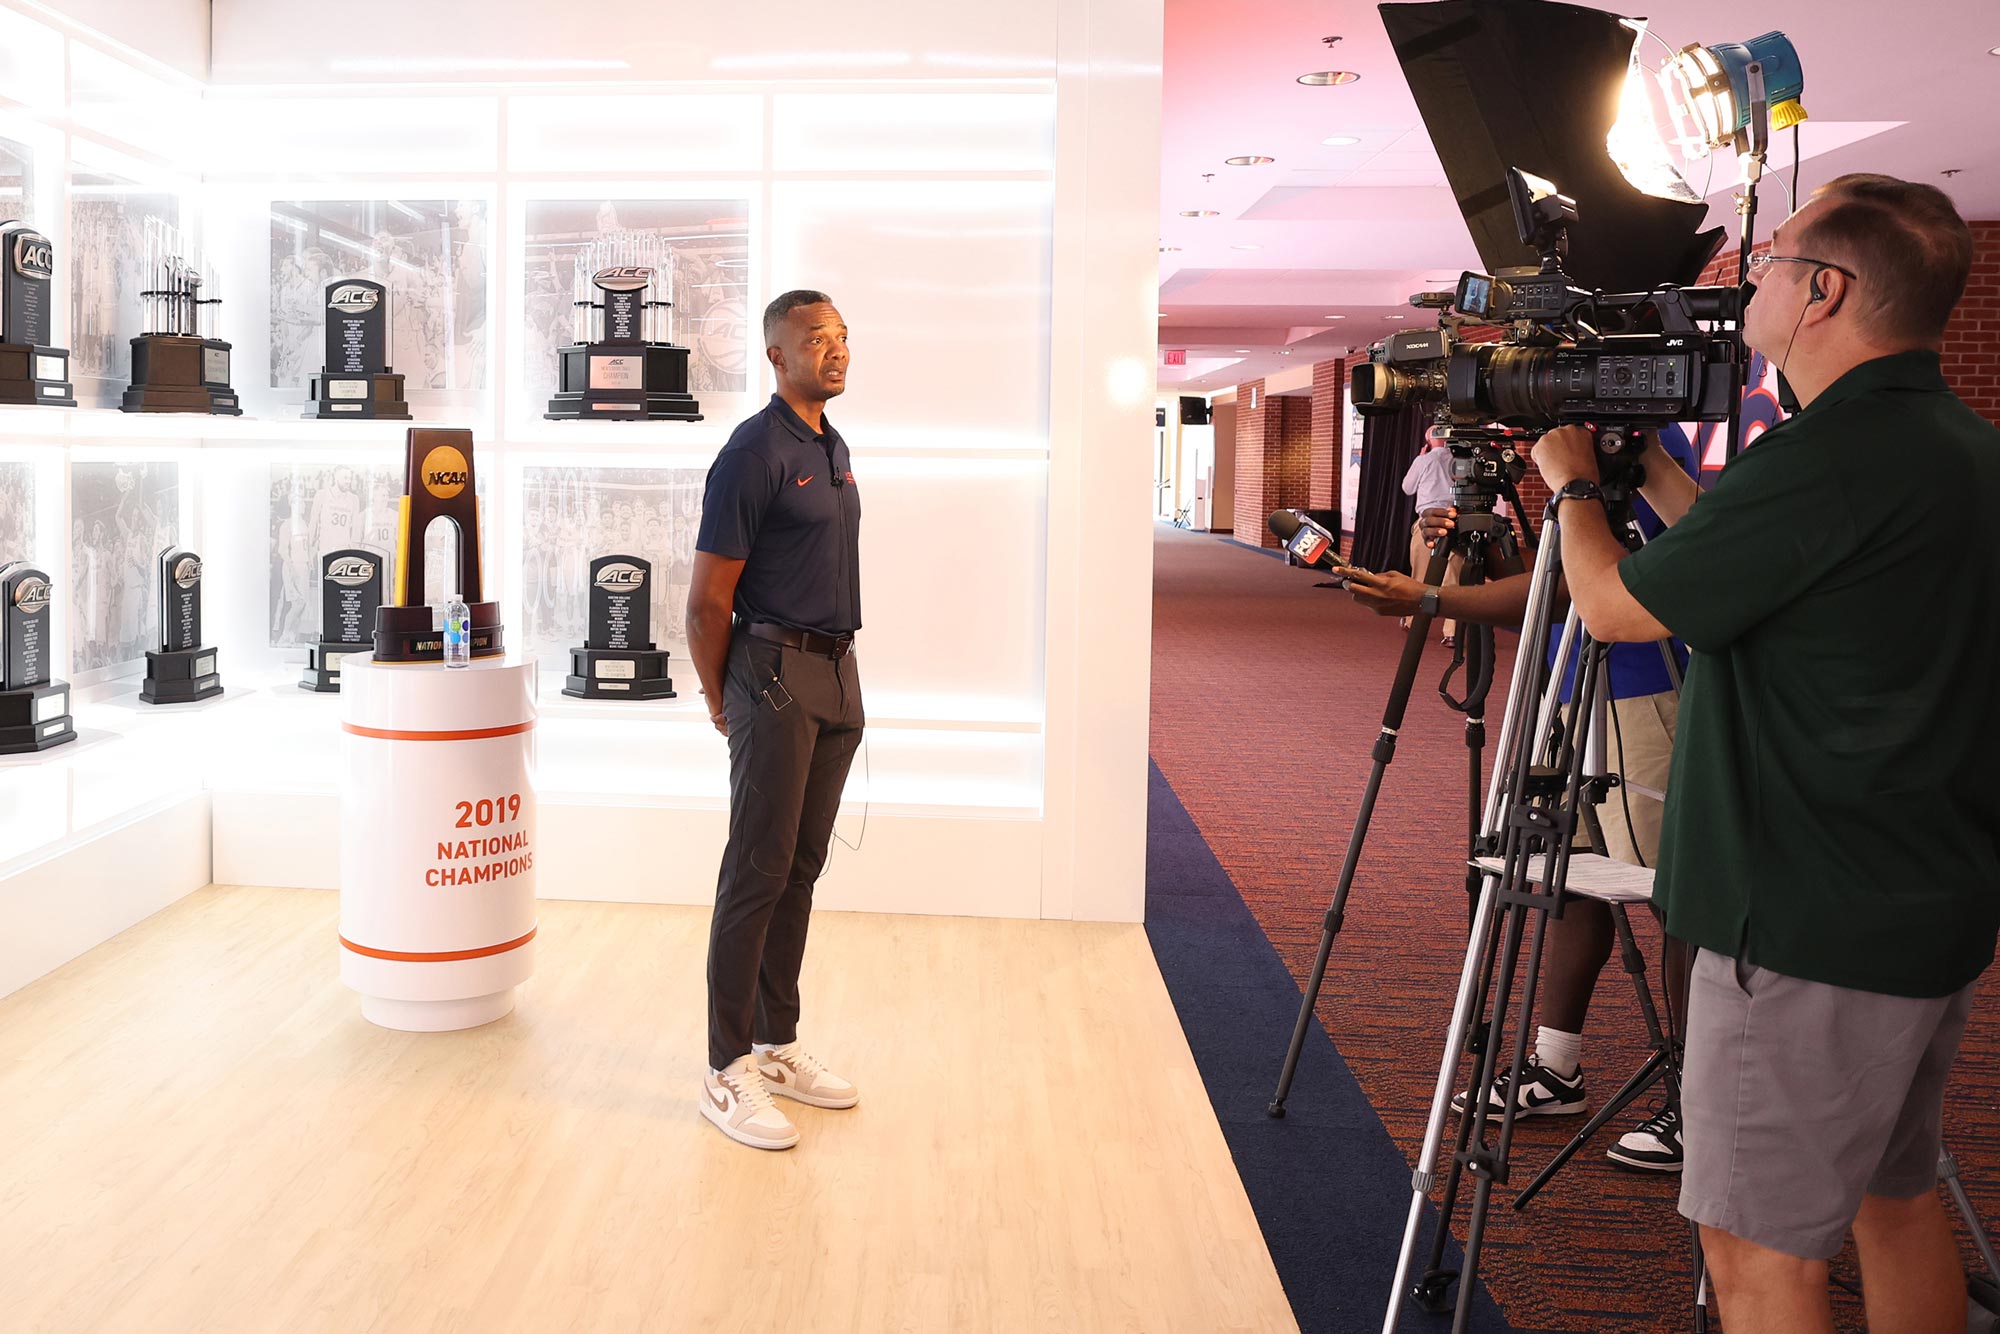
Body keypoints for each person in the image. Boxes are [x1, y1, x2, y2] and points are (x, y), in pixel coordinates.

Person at [1528, 174, 1998, 1332]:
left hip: (1795, 918)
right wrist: (1649, 479)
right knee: (1891, 1202)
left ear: (1822, 292)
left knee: (1755, 1256)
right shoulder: (1954, 445)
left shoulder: (1825, 455)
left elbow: (1611, 607)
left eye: (1773, 259)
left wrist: (1570, 481)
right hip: (1916, 899)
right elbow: (1778, 566)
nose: (1752, 280)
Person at [1347, 425, 1697, 1172]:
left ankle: (1696, 1099)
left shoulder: (1639, 442)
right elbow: (1547, 582)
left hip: (1645, 692)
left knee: (1676, 896)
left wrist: (1437, 595)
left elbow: (1602, 581)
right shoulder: (1566, 454)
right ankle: (1557, 1067)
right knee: (1563, 877)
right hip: (1565, 687)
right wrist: (1464, 548)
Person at [686, 290, 864, 1151]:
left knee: (799, 869)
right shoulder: (752, 452)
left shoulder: (828, 446)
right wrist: (726, 699)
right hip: (773, 676)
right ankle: (725, 1070)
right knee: (755, 872)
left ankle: (776, 1043)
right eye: (814, 340)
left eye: (839, 338)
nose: (833, 351)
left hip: (835, 675)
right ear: (775, 356)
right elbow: (705, 601)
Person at [1399, 435, 1460, 641]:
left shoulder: (1423, 460)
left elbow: (1407, 488)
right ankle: (1452, 632)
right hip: (1455, 520)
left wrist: (1420, 458)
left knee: (1421, 574)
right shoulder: (1459, 460)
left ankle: (1414, 623)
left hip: (1428, 520)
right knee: (1453, 577)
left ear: (1428, 441)